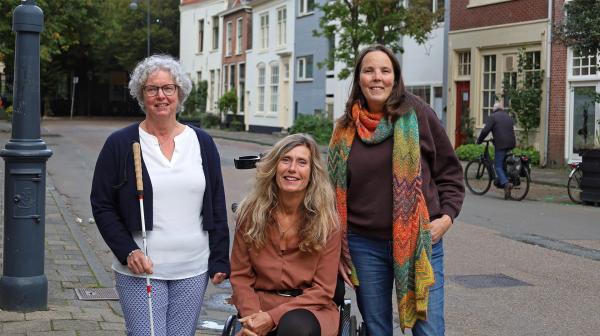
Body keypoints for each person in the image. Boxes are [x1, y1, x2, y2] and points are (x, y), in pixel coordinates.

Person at [328, 45, 465, 336]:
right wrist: (337, 249)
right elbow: (330, 191)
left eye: (385, 71)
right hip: (364, 246)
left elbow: (450, 172)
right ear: (359, 79)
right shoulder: (344, 129)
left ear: (395, 78)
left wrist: (447, 217)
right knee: (377, 330)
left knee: (428, 331)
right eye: (369, 71)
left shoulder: (419, 115)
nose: (377, 78)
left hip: (419, 242)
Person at [90, 54, 229, 336]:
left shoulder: (201, 142)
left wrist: (219, 257)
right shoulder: (120, 144)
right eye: (152, 89)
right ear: (142, 95)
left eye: (168, 88)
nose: (161, 96)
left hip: (193, 267)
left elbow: (216, 203)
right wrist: (127, 250)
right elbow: (102, 204)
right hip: (141, 269)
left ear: (179, 93)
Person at [230, 133, 341, 336]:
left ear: (312, 172)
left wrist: (272, 318)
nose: (292, 169)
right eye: (286, 160)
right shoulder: (250, 214)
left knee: (294, 326)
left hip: (310, 308)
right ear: (274, 167)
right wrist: (253, 318)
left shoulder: (327, 221)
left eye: (301, 162)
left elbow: (323, 290)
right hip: (259, 305)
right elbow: (240, 276)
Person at [476, 101, 516, 199]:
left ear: (494, 110)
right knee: (504, 165)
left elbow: (485, 130)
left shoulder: (493, 117)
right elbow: (504, 130)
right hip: (511, 144)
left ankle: (506, 183)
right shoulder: (507, 116)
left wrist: (479, 140)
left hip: (501, 144)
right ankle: (507, 191)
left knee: (497, 165)